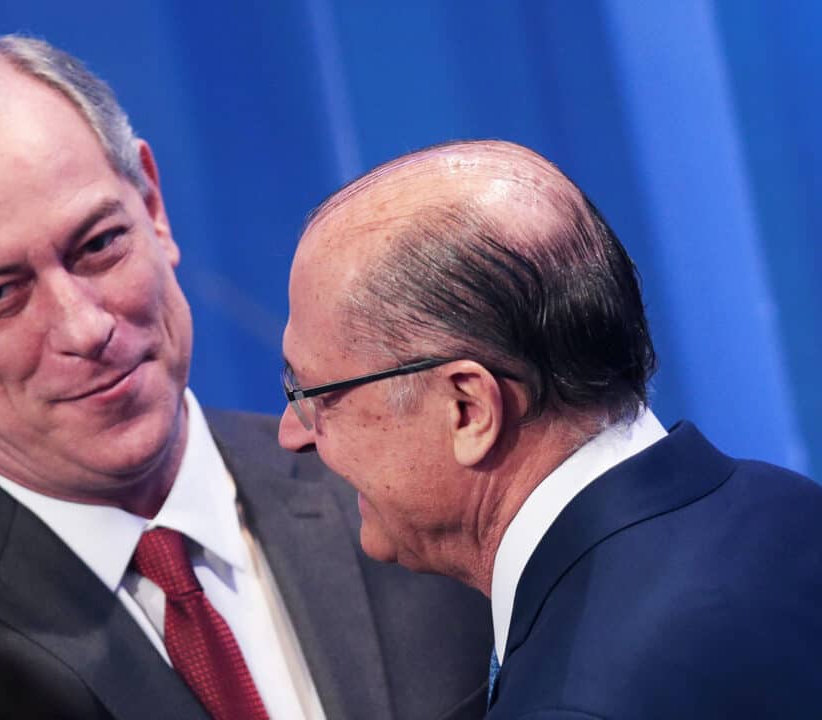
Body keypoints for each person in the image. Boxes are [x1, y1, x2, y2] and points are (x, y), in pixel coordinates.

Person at [0, 37, 493, 720]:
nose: (85, 327)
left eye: (98, 245)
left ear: (154, 206)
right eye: (1, 294)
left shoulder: (413, 490)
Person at [278, 139, 822, 719]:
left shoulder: (573, 701)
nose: (293, 432)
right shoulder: (791, 510)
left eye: (313, 395)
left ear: (468, 409)